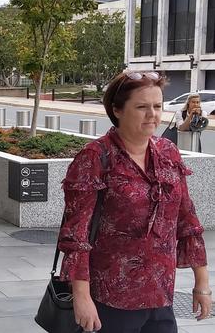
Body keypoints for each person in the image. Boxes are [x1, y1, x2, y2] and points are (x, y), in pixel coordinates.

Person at [58, 71, 211, 333]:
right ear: (117, 110)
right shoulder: (95, 157)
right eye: (142, 107)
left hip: (161, 293)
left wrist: (202, 283)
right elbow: (76, 234)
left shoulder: (168, 152)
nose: (152, 114)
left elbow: (187, 219)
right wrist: (82, 297)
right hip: (111, 298)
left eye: (157, 106)